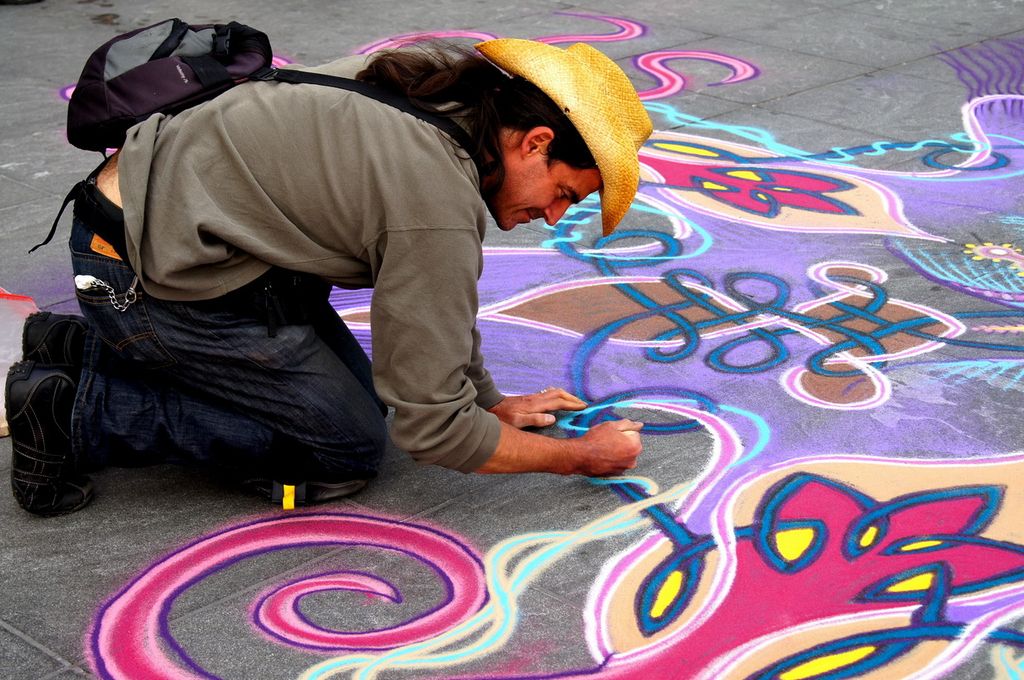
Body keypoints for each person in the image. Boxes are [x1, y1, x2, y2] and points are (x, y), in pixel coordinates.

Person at [5, 38, 653, 516]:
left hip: (169, 236)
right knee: (340, 448)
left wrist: (487, 401)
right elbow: (433, 429)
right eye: (566, 192)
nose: (552, 215)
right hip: (141, 273)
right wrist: (577, 458)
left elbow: (431, 312)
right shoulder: (436, 200)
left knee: (366, 400)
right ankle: (78, 413)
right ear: (535, 142)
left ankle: (76, 345)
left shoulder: (441, 90)